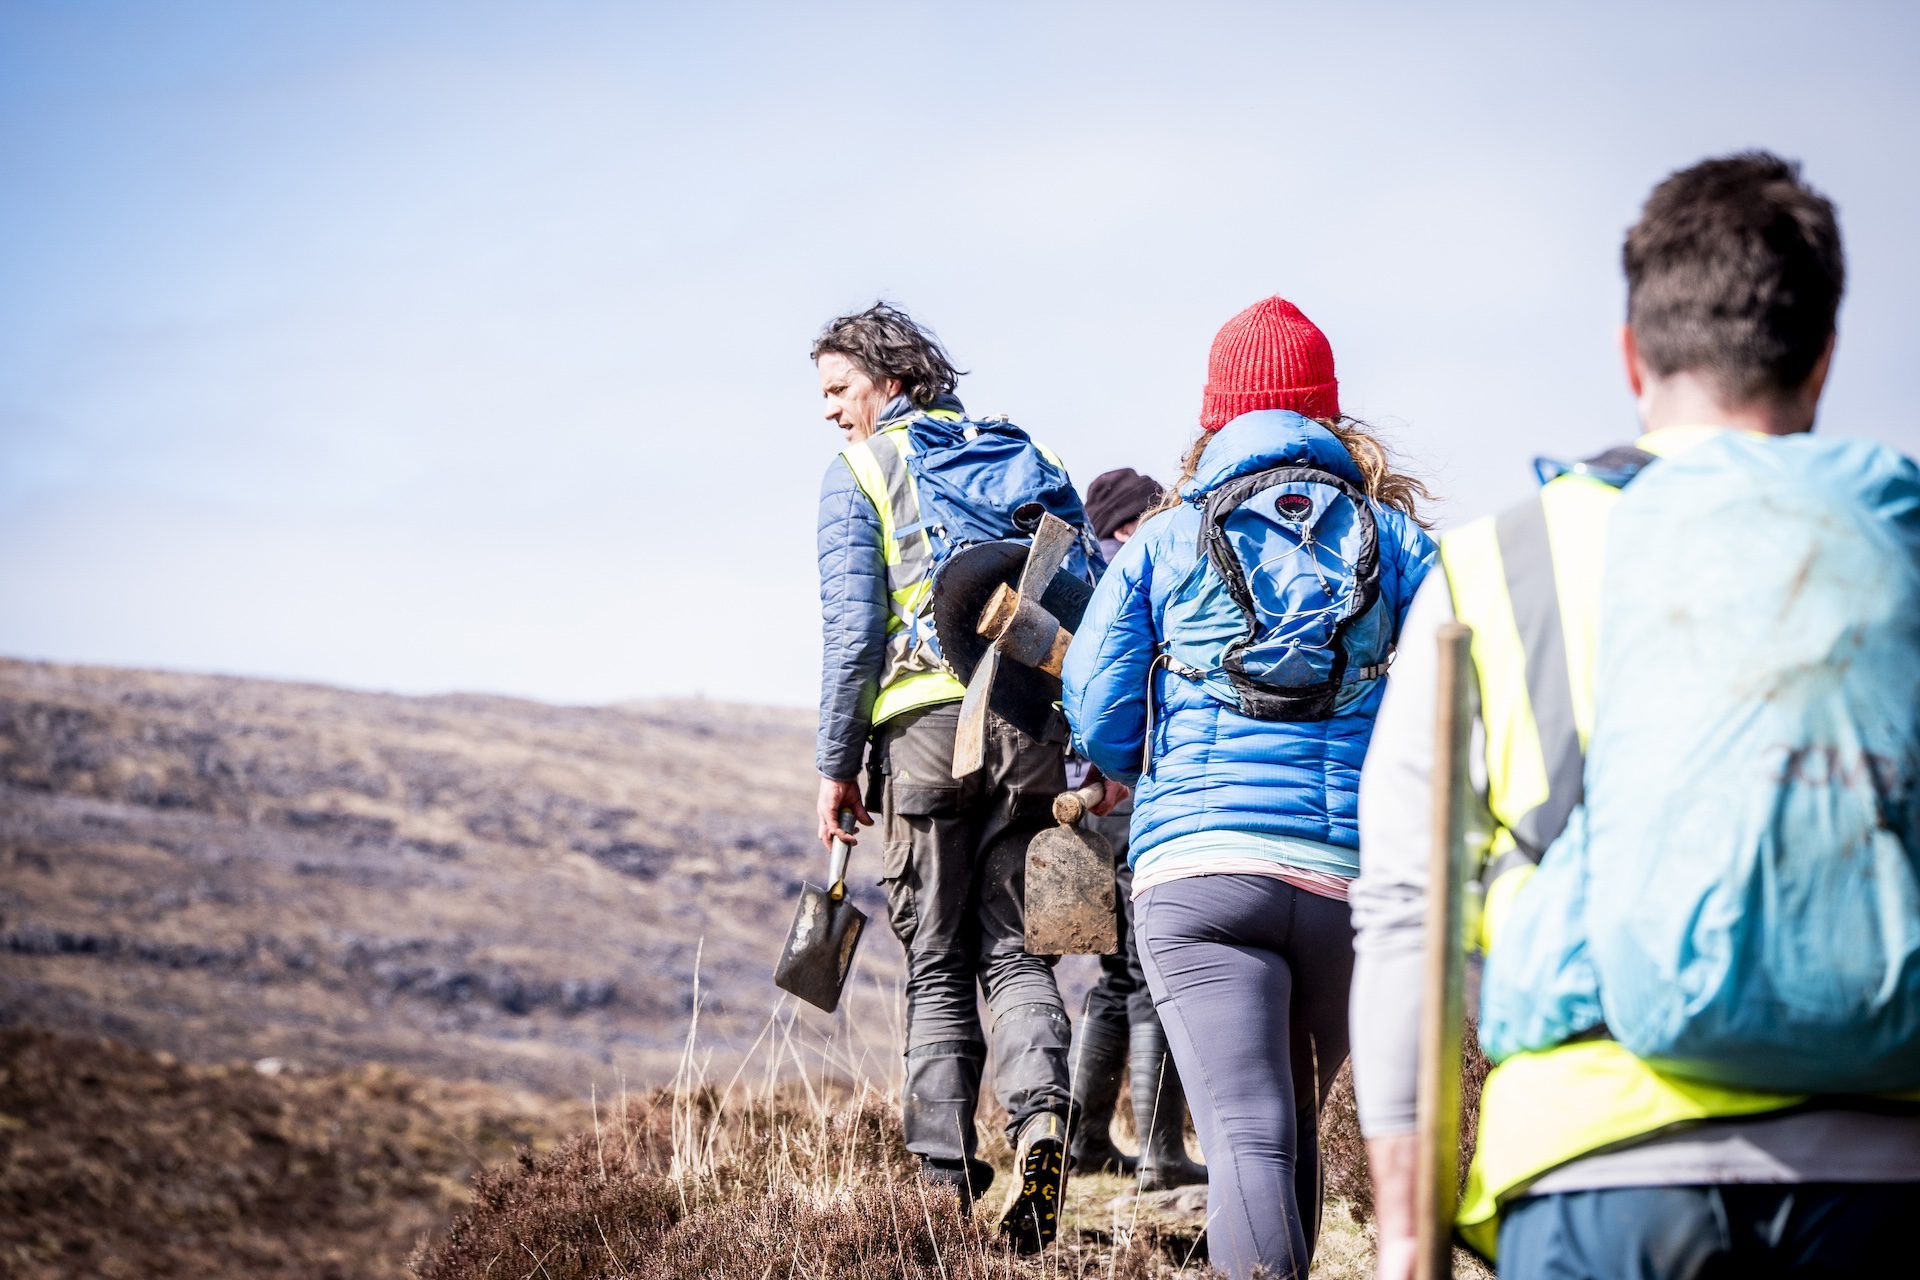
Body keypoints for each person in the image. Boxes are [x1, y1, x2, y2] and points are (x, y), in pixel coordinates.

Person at [1351, 152, 1920, 1280]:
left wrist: (1408, 1230)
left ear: (1632, 353)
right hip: (1881, 1160)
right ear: (1822, 358)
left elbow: (1410, 910)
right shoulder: (1896, 551)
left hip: (1595, 1165)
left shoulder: (1499, 564)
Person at [1064, 297, 1437, 1280]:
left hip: (1200, 869)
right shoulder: (1393, 541)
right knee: (1288, 1126)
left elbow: (1098, 698)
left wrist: (1128, 765)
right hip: (1350, 882)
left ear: (1216, 413)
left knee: (1247, 1130)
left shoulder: (1164, 538)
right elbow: (1460, 670)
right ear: (1325, 409)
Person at [811, 301, 1081, 1252]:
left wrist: (835, 767)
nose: (832, 411)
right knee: (1018, 951)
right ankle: (1046, 1129)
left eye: (841, 390)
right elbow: (1082, 599)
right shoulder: (1026, 455)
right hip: (1030, 723)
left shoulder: (859, 474)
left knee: (937, 964)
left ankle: (936, 1185)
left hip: (923, 731)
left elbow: (853, 642)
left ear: (891, 382)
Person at [1065, 467, 1206, 1190]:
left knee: (1114, 971)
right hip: (1134, 790)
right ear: (1129, 525)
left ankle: (1086, 1140)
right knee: (1155, 972)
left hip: (1086, 799)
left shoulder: (1082, 583)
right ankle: (1160, 1152)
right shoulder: (1148, 576)